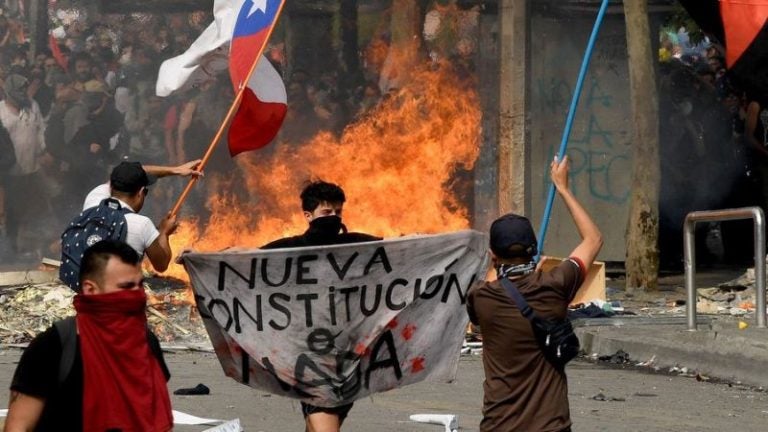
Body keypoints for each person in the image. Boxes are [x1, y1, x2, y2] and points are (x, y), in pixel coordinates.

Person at [467, 156, 602, 432]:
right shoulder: (556, 284)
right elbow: (593, 239)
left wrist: (510, 270)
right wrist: (562, 187)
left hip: (499, 426)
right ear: (535, 250)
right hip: (550, 426)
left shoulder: (481, 298)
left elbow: (490, 288)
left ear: (493, 255)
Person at [5, 240, 173, 431]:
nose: (137, 295)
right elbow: (18, 425)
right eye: (126, 287)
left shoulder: (146, 343)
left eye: (139, 285)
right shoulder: (53, 346)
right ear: (90, 289)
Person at [261, 180, 381, 432]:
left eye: (338, 212)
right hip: (308, 355)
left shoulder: (356, 245)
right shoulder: (289, 248)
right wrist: (200, 259)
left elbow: (401, 250)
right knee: (325, 419)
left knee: (324, 420)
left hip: (348, 356)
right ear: (308, 215)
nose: (334, 217)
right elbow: (243, 261)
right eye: (327, 212)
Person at [80, 159, 202, 273]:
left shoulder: (94, 198)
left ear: (111, 186)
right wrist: (164, 232)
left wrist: (177, 170)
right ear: (140, 192)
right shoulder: (141, 225)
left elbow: (128, 172)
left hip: (87, 280)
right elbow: (161, 265)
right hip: (115, 292)